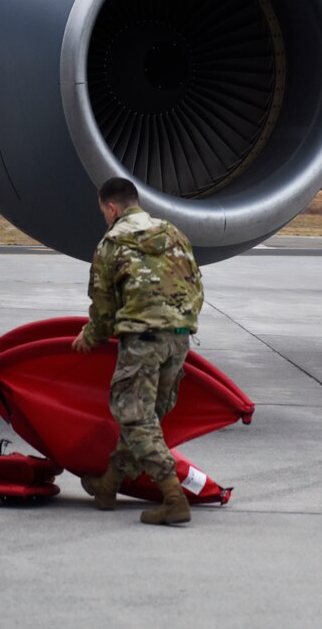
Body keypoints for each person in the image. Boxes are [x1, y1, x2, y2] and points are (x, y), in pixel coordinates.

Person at [71, 177, 204, 525]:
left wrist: (91, 337)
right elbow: (196, 283)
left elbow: (102, 307)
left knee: (135, 416)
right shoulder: (173, 233)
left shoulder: (111, 243)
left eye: (103, 211)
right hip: (179, 337)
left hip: (143, 340)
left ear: (112, 208)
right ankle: (108, 486)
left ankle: (173, 497)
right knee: (147, 417)